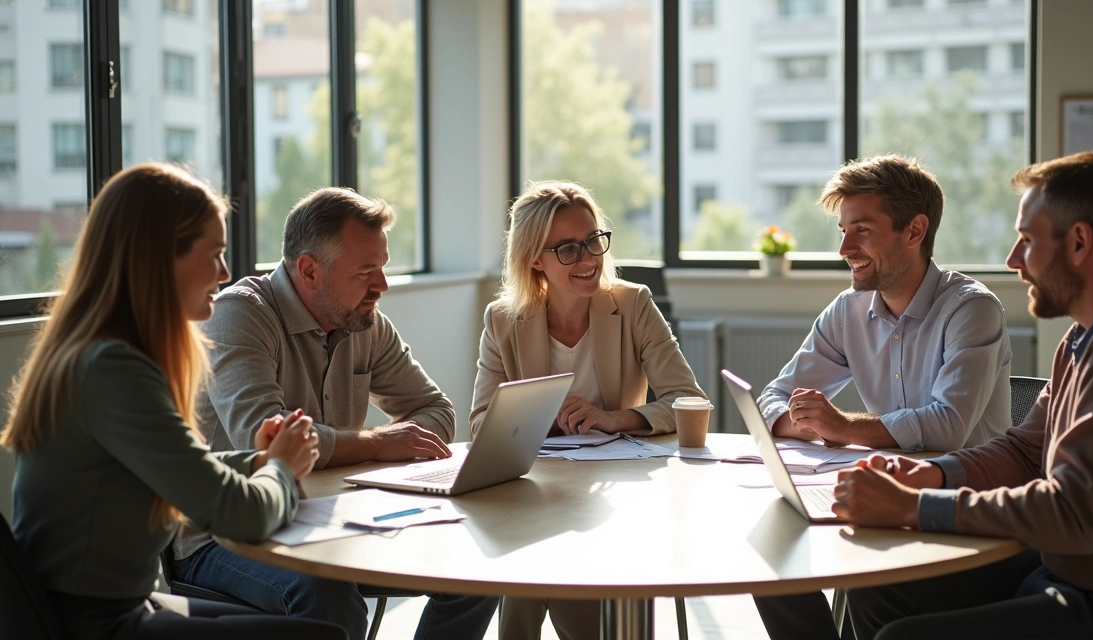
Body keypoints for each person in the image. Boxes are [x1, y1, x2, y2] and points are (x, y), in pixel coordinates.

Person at [830, 151, 1093, 640]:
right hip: (1062, 573)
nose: (1013, 259)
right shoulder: (1090, 333)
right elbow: (1025, 449)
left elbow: (1076, 513)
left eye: (1028, 240)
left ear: (1079, 242)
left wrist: (914, 507)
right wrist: (930, 471)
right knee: (876, 584)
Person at [1, 163, 343, 640]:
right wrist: (281, 470)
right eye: (216, 255)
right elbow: (237, 514)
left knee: (326, 627)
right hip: (94, 624)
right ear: (161, 259)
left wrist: (258, 459)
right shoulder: (113, 369)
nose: (226, 272)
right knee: (321, 635)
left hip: (121, 603)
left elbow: (182, 466)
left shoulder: (100, 353)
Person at [172, 187, 499, 640]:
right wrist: (378, 442)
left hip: (335, 518)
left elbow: (435, 410)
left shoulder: (364, 321)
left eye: (382, 266)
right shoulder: (238, 315)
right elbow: (261, 440)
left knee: (474, 566)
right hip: (224, 533)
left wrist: (382, 445)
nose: (381, 285)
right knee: (326, 594)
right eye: (366, 271)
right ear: (309, 270)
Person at [752, 154, 1014, 639]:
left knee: (866, 582)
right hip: (880, 502)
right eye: (842, 231)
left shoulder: (972, 310)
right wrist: (804, 420)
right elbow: (774, 395)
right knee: (773, 559)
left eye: (863, 231)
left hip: (962, 520)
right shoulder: (848, 311)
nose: (844, 248)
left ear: (914, 231)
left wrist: (845, 428)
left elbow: (947, 426)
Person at [474, 180, 705, 639]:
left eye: (593, 241)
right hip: (540, 487)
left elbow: (686, 400)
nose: (588, 259)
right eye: (568, 249)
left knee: (540, 563)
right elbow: (481, 424)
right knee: (536, 555)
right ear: (533, 259)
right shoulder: (503, 320)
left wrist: (615, 419)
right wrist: (536, 416)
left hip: (621, 492)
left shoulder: (632, 302)